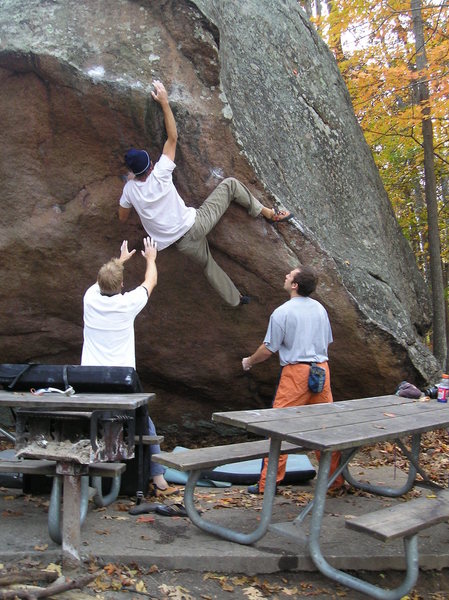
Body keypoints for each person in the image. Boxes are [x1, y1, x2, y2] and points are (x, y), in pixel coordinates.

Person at [118, 79, 293, 307]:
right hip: (196, 225)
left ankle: (236, 300)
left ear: (133, 172)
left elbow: (122, 217)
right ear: (150, 165)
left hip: (180, 245)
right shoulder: (160, 172)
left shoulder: (129, 191)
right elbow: (172, 137)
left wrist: (131, 186)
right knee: (230, 185)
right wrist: (164, 102)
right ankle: (268, 213)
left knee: (208, 264)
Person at [81, 237, 177, 495]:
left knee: (93, 421)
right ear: (122, 286)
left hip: (89, 384)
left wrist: (120, 260)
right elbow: (151, 282)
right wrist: (151, 259)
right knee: (144, 421)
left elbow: (105, 281)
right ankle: (158, 477)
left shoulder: (89, 299)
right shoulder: (127, 304)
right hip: (120, 383)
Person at [241, 265, 345, 494]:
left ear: (295, 285)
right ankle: (335, 481)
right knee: (324, 428)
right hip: (321, 371)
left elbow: (269, 349)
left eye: (290, 275)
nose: (286, 276)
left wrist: (249, 361)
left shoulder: (283, 312)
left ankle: (267, 485)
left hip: (296, 374)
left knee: (279, 428)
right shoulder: (320, 309)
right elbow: (326, 342)